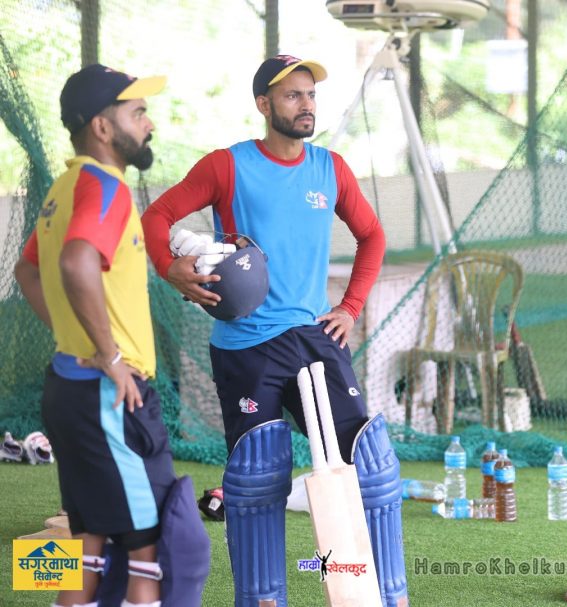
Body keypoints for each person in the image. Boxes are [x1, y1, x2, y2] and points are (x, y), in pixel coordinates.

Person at [140, 55, 407, 607]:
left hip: (313, 336)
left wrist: (351, 307)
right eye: (292, 95)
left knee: (371, 466)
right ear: (264, 104)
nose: (306, 104)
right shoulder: (226, 166)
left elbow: (373, 236)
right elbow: (156, 217)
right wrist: (170, 269)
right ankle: (262, 600)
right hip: (245, 344)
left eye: (310, 95)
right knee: (258, 476)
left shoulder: (330, 168)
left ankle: (386, 595)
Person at [13, 64, 192, 607]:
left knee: (87, 542)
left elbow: (27, 271)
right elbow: (75, 262)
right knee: (152, 548)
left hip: (70, 386)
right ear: (102, 127)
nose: (149, 123)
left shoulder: (64, 187)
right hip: (111, 392)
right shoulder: (107, 187)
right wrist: (109, 355)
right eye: (138, 113)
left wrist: (76, 337)